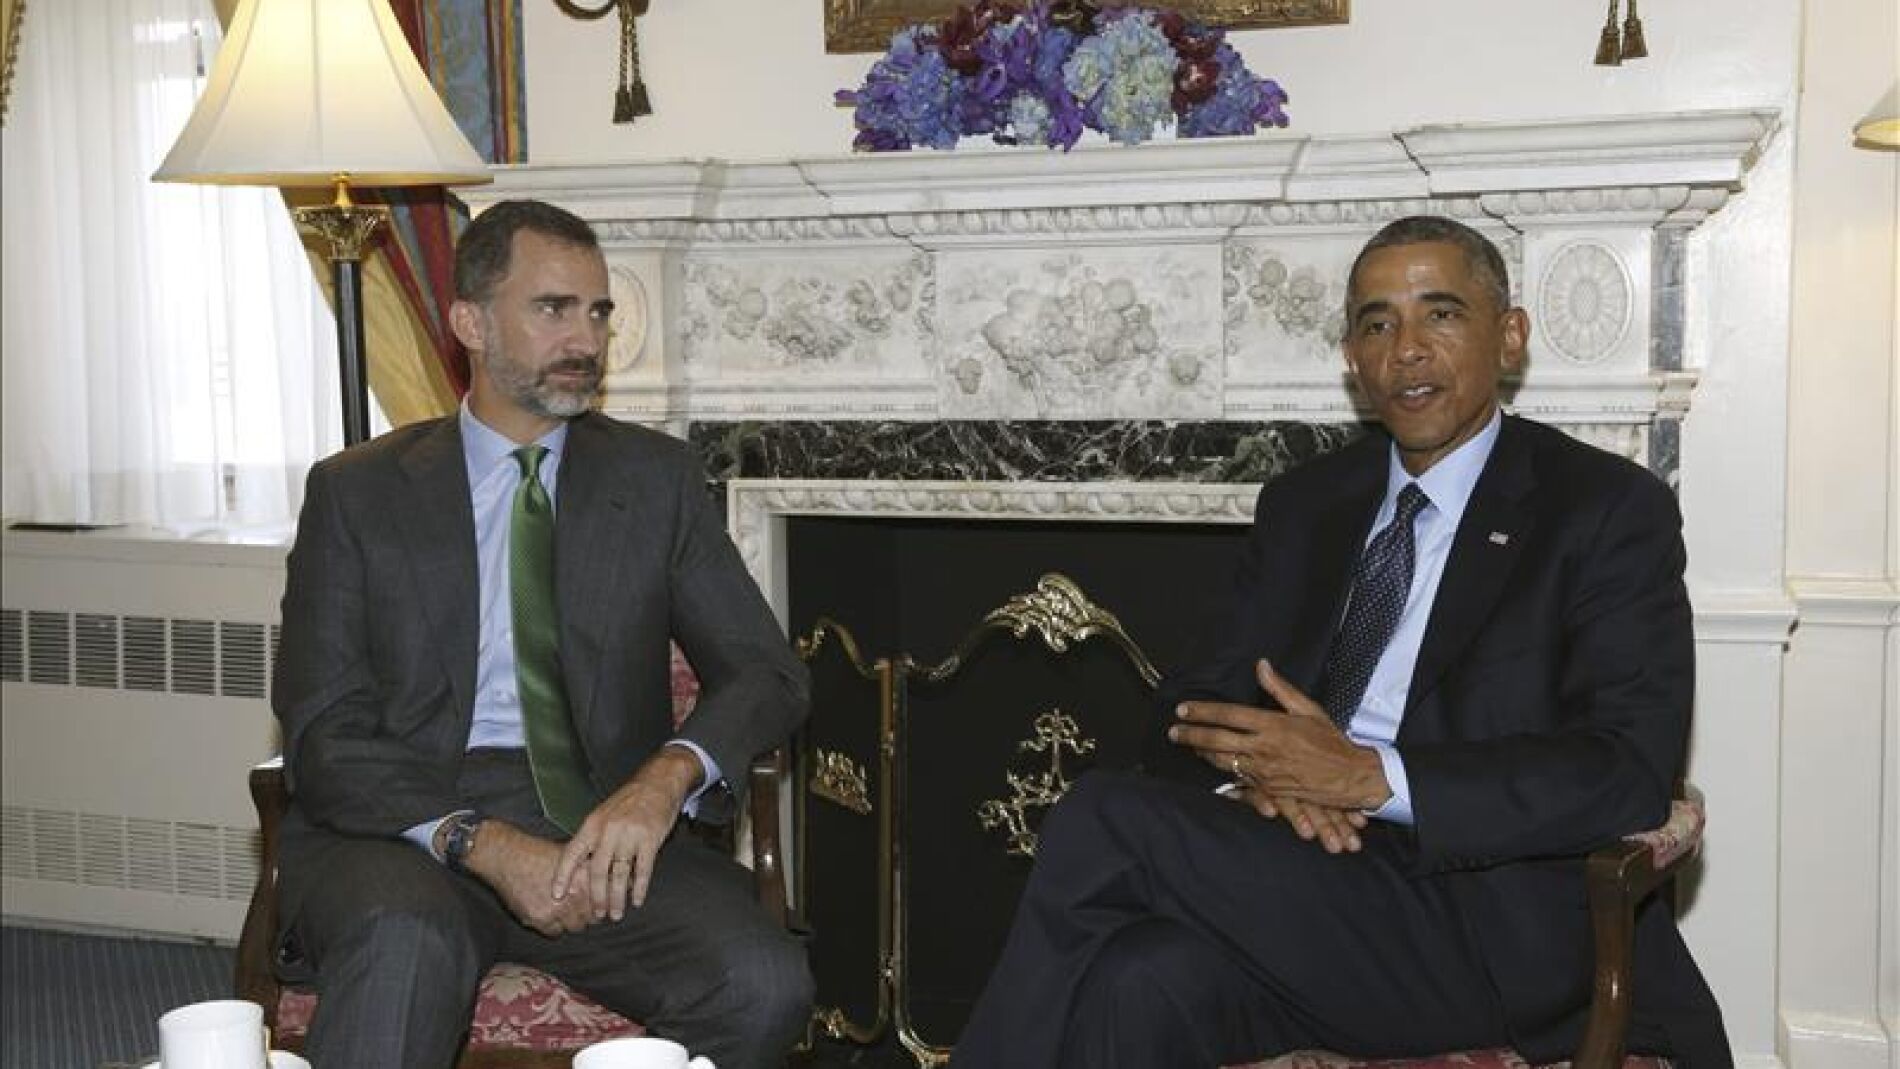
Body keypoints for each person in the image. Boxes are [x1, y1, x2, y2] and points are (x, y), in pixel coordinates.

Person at [952, 216, 1729, 1069]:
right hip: (1304, 885)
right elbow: (1186, 702)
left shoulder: (1604, 510)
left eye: (1441, 315)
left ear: (1509, 339)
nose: (1406, 350)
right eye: (1376, 323)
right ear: (1352, 360)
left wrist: (1369, 776)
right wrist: (1267, 775)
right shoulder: (1308, 504)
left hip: (1485, 936)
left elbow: (1625, 767)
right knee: (1137, 980)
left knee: (1101, 816)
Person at [270, 199, 813, 1069]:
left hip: (596, 822)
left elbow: (766, 673)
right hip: (407, 828)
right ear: (469, 323)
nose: (586, 339)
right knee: (406, 946)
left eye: (598, 311)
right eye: (553, 308)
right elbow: (324, 732)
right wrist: (480, 840)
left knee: (761, 982)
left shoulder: (654, 480)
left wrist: (663, 781)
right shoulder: (359, 493)